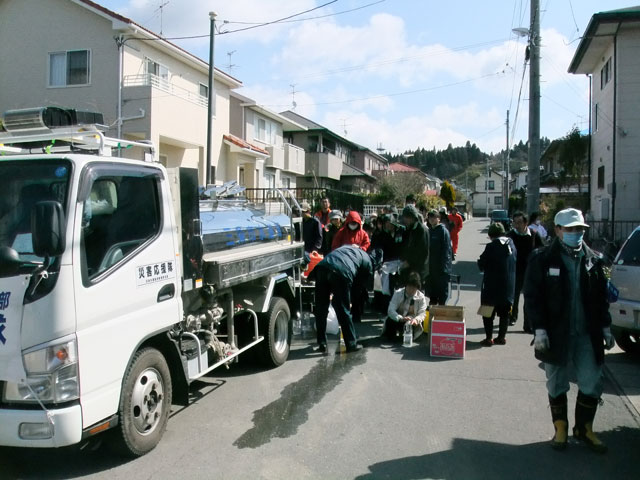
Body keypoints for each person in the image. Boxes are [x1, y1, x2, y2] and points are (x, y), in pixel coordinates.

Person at [523, 208, 615, 453]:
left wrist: (605, 326)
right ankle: (561, 427)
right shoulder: (542, 258)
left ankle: (584, 428)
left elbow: (600, 299)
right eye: (570, 229)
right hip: (555, 333)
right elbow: (533, 297)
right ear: (557, 230)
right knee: (556, 382)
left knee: (592, 380)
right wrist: (539, 329)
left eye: (579, 229)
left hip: (587, 333)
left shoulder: (594, 260)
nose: (576, 233)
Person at [311, 245, 375, 353]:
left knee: (321, 308)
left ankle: (321, 342)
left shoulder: (348, 249)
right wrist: (350, 300)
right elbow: (358, 286)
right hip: (341, 271)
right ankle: (351, 343)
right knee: (343, 309)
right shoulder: (368, 262)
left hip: (322, 268)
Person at [477, 223, 517, 346]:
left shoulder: (491, 246)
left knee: (487, 312)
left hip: (491, 286)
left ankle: (489, 338)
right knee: (505, 313)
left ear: (490, 235)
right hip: (508, 286)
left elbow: (482, 264)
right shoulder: (512, 244)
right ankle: (501, 337)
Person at [507, 211, 544, 331]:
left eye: (519, 222)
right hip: (515, 270)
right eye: (514, 222)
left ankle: (527, 324)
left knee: (529, 298)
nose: (517, 225)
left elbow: (542, 250)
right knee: (514, 296)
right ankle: (512, 317)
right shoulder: (510, 235)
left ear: (526, 223)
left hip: (530, 270)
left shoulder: (533, 235)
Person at [382, 272, 427, 342]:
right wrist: (401, 318)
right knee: (390, 321)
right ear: (406, 285)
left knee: (412, 326)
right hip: (399, 319)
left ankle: (410, 336)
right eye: (409, 287)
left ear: (417, 288)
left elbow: (422, 313)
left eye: (414, 288)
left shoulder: (421, 297)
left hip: (412, 322)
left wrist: (416, 320)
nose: (411, 290)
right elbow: (390, 310)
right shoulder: (398, 293)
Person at [426, 209, 452, 305]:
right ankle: (432, 317)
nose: (431, 219)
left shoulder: (443, 231)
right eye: (430, 217)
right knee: (432, 296)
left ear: (439, 219)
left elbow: (447, 250)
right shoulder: (429, 231)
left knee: (442, 297)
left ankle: (441, 317)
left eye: (434, 217)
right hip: (431, 268)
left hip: (441, 269)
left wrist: (444, 268)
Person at [399, 205, 429, 286]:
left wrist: (409, 262)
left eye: (406, 217)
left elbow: (423, 252)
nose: (405, 220)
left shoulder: (422, 230)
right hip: (407, 268)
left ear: (412, 217)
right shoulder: (408, 229)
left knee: (416, 295)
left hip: (418, 270)